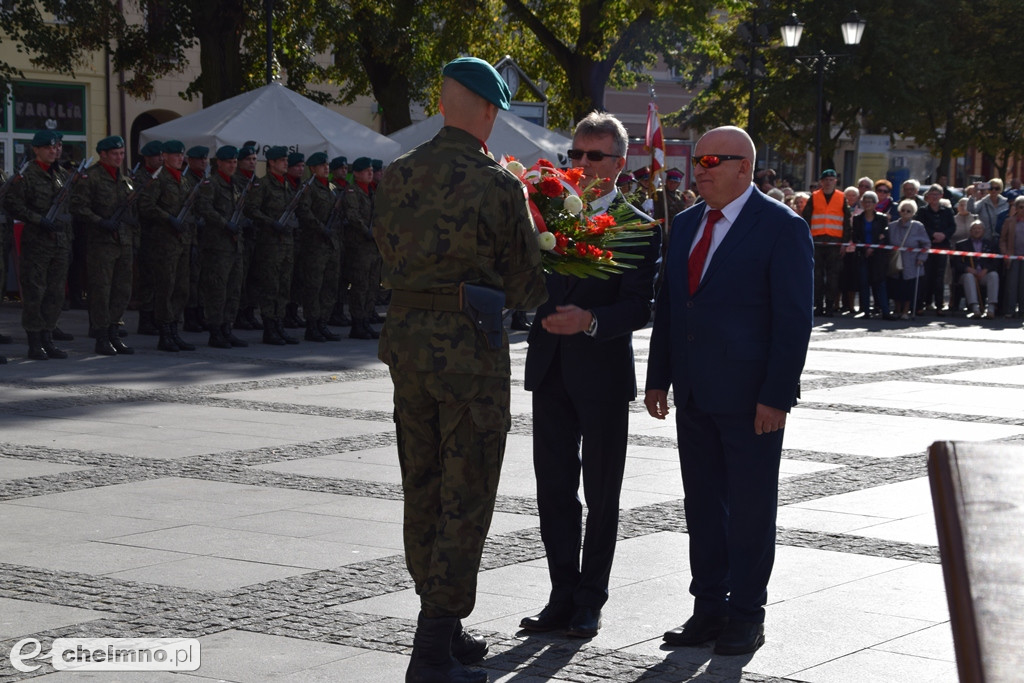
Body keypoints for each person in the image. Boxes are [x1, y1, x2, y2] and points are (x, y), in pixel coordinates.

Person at [372, 56, 548, 683]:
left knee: (420, 484)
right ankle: (433, 646)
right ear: (489, 111)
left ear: (443, 104)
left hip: (407, 348)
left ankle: (442, 624)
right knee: (465, 493)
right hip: (469, 353)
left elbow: (386, 256)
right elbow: (528, 288)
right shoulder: (498, 185)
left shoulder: (394, 175)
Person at [644, 125, 813, 656]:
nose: (702, 168)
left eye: (714, 159)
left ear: (745, 166)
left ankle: (746, 613)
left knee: (750, 508)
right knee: (702, 508)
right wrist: (658, 376)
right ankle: (709, 607)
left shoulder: (781, 226)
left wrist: (777, 396)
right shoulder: (689, 222)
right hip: (695, 392)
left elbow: (794, 320)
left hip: (750, 398)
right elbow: (671, 307)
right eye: (698, 159)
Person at [520, 112, 661, 640]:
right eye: (574, 155)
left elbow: (640, 307)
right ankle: (560, 594)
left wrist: (593, 321)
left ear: (620, 165)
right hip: (549, 368)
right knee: (553, 489)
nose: (580, 164)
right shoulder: (545, 213)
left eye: (593, 156)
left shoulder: (638, 227)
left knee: (602, 492)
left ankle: (590, 599)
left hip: (601, 372)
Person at [3, 130, 75, 360]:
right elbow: (13, 204)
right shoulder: (27, 176)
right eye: (49, 148)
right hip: (37, 241)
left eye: (57, 147)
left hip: (60, 242)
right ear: (36, 150)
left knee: (55, 293)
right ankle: (35, 342)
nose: (54, 151)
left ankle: (48, 338)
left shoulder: (61, 174)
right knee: (35, 292)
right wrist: (38, 219)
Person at [69, 135, 136, 356]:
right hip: (101, 243)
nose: (119, 157)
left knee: (122, 290)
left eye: (122, 153)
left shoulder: (124, 179)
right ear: (103, 155)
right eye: (115, 154)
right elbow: (78, 207)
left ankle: (115, 332)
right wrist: (100, 221)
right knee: (101, 292)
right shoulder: (91, 178)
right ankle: (101, 336)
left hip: (123, 242)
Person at [245, 145, 306, 345]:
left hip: (287, 242)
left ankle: (279, 325)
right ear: (271, 163)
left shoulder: (287, 184)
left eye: (286, 160)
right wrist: (271, 222)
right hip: (270, 243)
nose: (286, 163)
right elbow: (251, 209)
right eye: (282, 160)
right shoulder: (262, 185)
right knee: (270, 286)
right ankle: (269, 327)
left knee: (283, 286)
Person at [195, 145, 247, 349]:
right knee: (217, 290)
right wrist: (224, 223)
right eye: (229, 162)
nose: (232, 165)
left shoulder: (235, 184)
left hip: (234, 245)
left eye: (235, 162)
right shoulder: (211, 183)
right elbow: (204, 207)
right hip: (217, 246)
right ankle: (215, 331)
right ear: (219, 163)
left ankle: (227, 328)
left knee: (234, 289)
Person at [296, 152, 342, 342]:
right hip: (315, 244)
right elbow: (304, 211)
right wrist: (320, 227)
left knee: (329, 286)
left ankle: (323, 322)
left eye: (327, 165)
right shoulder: (308, 188)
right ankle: (312, 325)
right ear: (312, 168)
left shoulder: (331, 187)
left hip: (331, 244)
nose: (326, 168)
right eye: (322, 165)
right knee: (314, 286)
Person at [801, 168, 850, 316]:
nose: (828, 183)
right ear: (821, 182)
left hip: (834, 243)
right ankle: (818, 306)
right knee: (816, 276)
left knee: (833, 277)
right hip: (817, 241)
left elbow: (847, 222)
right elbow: (806, 219)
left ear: (835, 182)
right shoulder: (814, 197)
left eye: (831, 180)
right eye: (826, 180)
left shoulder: (841, 198)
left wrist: (844, 243)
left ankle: (829, 306)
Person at [343, 157, 380, 340]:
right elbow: (353, 216)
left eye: (371, 170)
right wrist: (367, 232)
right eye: (366, 170)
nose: (370, 173)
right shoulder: (352, 192)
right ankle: (357, 323)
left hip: (372, 246)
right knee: (360, 285)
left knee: (372, 285)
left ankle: (365, 320)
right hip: (359, 246)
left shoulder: (372, 192)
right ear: (356, 173)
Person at [134, 139, 164, 336]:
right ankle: (145, 319)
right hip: (145, 233)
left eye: (162, 155)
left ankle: (156, 316)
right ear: (147, 157)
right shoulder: (140, 178)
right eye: (156, 156)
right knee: (146, 278)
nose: (160, 159)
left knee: (158, 278)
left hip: (160, 235)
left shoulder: (161, 176)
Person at [232, 145, 263, 332]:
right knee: (241, 277)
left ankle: (250, 311)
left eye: (254, 159)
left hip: (257, 235)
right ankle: (240, 314)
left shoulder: (257, 181)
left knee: (254, 276)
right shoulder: (235, 181)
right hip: (242, 234)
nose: (252, 162)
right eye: (248, 159)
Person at [850, 190, 892, 319]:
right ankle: (865, 310)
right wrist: (864, 249)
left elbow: (885, 237)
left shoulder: (882, 218)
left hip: (878, 255)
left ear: (875, 203)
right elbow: (855, 236)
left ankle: (885, 310)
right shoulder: (858, 219)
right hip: (863, 255)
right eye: (865, 201)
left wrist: (873, 247)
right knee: (864, 283)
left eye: (870, 201)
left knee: (880, 282)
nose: (867, 204)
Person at [915, 184, 955, 315]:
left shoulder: (947, 211)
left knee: (939, 277)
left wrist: (944, 235)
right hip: (927, 246)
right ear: (927, 196)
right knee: (925, 276)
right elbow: (921, 226)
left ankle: (939, 305)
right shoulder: (922, 211)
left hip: (942, 246)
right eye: (932, 194)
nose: (935, 197)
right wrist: (933, 234)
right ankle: (921, 304)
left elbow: (952, 226)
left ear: (941, 196)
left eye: (937, 194)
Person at [887, 200, 930, 320]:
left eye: (909, 211)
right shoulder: (892, 226)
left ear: (913, 213)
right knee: (895, 286)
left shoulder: (918, 226)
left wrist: (921, 258)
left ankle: (906, 311)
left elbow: (926, 244)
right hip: (896, 260)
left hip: (911, 262)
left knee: (908, 288)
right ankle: (897, 309)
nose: (905, 213)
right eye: (903, 210)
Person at [953, 219, 1000, 318]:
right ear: (970, 231)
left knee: (994, 275)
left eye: (979, 228)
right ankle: (975, 308)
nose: (977, 231)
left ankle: (991, 309)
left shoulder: (990, 244)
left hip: (983, 274)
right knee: (969, 277)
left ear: (983, 231)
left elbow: (995, 261)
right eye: (974, 228)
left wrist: (986, 270)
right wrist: (968, 269)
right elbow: (956, 262)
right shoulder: (961, 244)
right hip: (967, 274)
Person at [999, 196, 1024, 317]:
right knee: (1012, 285)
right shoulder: (1009, 221)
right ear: (1016, 208)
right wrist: (1006, 253)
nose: (1023, 210)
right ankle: (1010, 310)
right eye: (1021, 207)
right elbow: (1002, 239)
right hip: (1013, 257)